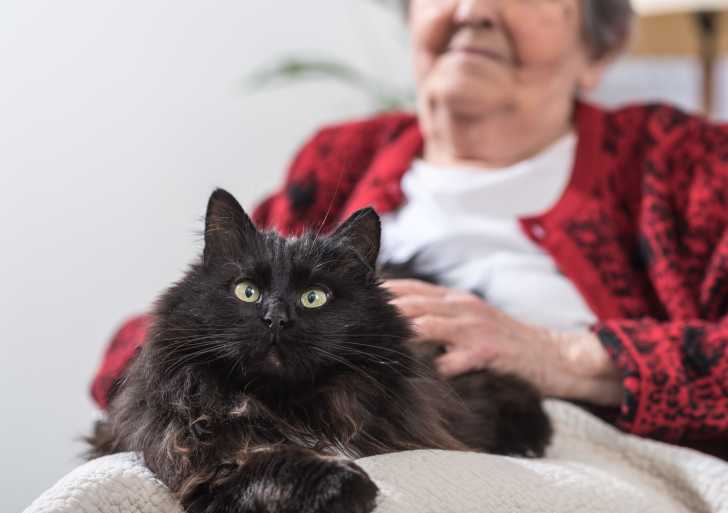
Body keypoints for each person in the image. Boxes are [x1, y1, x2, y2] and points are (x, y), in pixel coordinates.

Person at [91, 0, 728, 458]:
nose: (472, 10)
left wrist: (560, 356)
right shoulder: (341, 158)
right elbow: (160, 338)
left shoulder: (684, 163)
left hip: (568, 457)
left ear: (599, 49)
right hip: (321, 443)